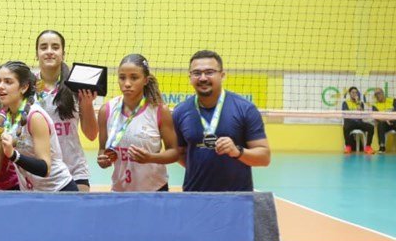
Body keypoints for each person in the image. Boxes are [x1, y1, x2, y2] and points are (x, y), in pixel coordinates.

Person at [172, 50, 270, 192]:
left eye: (209, 72)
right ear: (190, 77)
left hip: (237, 197)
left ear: (222, 75)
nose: (203, 78)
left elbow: (264, 157)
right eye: (197, 73)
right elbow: (178, 153)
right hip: (194, 196)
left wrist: (237, 152)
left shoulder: (245, 109)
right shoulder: (180, 111)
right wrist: (200, 167)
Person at [96, 54, 178, 192]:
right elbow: (102, 149)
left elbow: (174, 152)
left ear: (145, 80)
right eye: (122, 77)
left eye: (134, 78)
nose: (127, 83)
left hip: (154, 191)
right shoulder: (106, 110)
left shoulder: (159, 110)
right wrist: (102, 159)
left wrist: (150, 158)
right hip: (119, 191)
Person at [0, 61, 78, 192]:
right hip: (32, 192)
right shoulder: (8, 116)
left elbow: (45, 169)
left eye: (8, 82)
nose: (0, 86)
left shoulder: (35, 117)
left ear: (24, 87)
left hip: (59, 191)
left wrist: (13, 155)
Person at [34, 30, 98, 190]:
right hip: (39, 174)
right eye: (44, 47)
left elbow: (91, 135)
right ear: (37, 54)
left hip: (74, 172)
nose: (49, 51)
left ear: (63, 54)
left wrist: (87, 104)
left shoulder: (76, 86)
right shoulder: (26, 86)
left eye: (55, 47)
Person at [369, 88, 396, 154]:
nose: (377, 96)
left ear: (383, 93)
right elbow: (376, 117)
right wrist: (386, 119)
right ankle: (382, 146)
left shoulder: (392, 100)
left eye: (378, 93)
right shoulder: (375, 105)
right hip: (384, 122)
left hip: (395, 120)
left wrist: (392, 118)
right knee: (380, 124)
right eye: (375, 94)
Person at [341, 86, 374, 154]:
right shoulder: (345, 103)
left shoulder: (360, 103)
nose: (354, 94)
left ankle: (368, 147)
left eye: (356, 92)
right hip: (350, 123)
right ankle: (348, 146)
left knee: (371, 127)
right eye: (353, 92)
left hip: (359, 123)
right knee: (345, 126)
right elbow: (346, 114)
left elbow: (361, 113)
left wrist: (357, 102)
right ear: (349, 93)